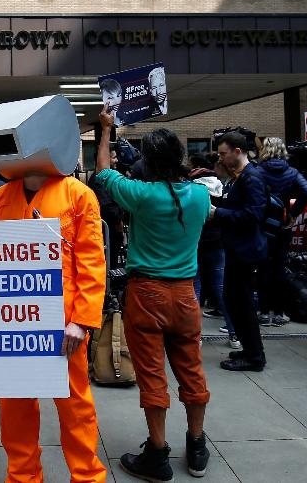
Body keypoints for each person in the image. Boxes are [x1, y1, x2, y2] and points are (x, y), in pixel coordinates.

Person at [0, 148, 107, 483]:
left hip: (66, 324)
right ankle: (22, 477)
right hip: (12, 321)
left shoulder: (78, 195)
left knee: (75, 405)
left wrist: (82, 320)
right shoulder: (0, 198)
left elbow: (92, 263)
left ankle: (87, 477)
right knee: (15, 406)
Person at [94, 108, 211, 481]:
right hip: (186, 295)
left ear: (148, 161)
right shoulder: (199, 196)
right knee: (191, 369)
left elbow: (102, 174)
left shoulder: (141, 195)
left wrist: (106, 129)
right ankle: (196, 445)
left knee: (151, 375)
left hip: (147, 293)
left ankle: (157, 454)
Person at [213, 132, 269, 372]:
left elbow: (253, 215)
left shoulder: (251, 179)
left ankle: (255, 356)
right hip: (238, 249)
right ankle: (249, 349)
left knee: (242, 303)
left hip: (246, 252)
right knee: (234, 301)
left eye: (224, 154)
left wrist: (219, 213)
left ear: (238, 151)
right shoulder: (238, 178)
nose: (221, 159)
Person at [256, 137, 307, 327]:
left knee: (263, 268)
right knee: (280, 267)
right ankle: (279, 312)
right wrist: (293, 214)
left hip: (263, 224)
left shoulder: (258, 171)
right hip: (283, 224)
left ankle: (264, 312)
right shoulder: (291, 172)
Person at [189, 155, 240, 348]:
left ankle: (196, 336)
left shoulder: (193, 191)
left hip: (197, 245)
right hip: (218, 245)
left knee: (195, 291)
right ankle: (234, 334)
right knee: (221, 290)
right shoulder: (222, 188)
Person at [89, 149, 125, 263]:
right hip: (108, 232)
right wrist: (118, 221)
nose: (117, 160)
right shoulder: (98, 180)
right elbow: (109, 208)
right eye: (113, 157)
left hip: (111, 231)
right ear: (104, 159)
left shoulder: (105, 179)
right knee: (109, 262)